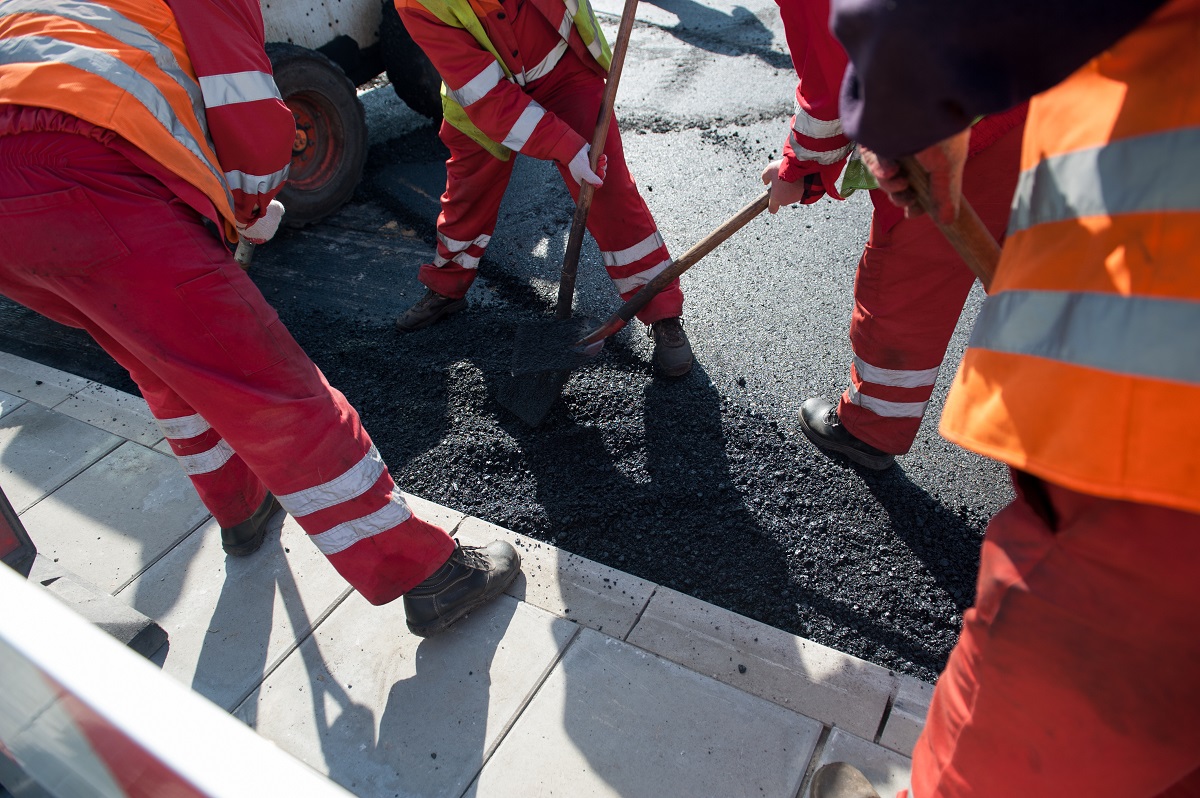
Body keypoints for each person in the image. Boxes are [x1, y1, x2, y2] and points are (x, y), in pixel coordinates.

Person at [0, 0, 519, 638]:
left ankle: (241, 510)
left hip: (16, 223)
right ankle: (427, 576)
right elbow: (253, 128)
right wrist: (249, 209)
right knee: (268, 384)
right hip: (83, 174)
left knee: (160, 360)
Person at [808, 0, 1200, 795]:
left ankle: (870, 426)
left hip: (1156, 414)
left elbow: (899, 31)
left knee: (1024, 738)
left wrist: (909, 101)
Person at [760, 0, 1025, 471]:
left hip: (949, 130)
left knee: (907, 288)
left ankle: (871, 429)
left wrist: (796, 168)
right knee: (1044, 270)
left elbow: (834, 93)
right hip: (1038, 89)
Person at [393, 0, 695, 378]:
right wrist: (565, 146)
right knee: (468, 194)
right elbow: (486, 95)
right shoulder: (416, 2)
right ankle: (446, 286)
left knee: (608, 188)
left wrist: (576, 149)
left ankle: (660, 308)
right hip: (483, 99)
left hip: (562, 72)